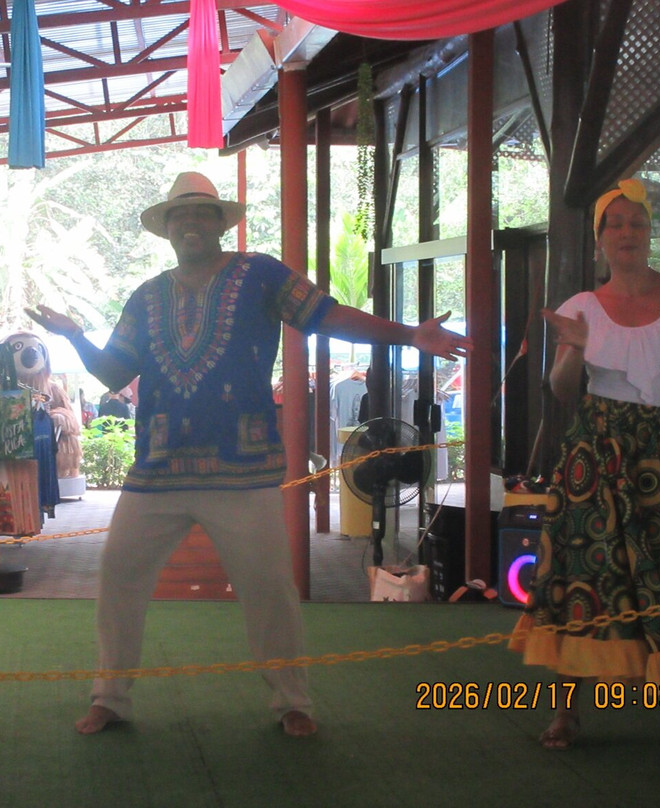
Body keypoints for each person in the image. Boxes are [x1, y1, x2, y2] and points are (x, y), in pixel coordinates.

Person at [27, 171, 471, 737]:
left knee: (268, 586)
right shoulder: (147, 296)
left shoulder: (258, 273)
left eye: (202, 214)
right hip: (158, 469)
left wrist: (410, 335)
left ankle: (293, 702)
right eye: (180, 216)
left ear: (220, 223)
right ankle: (109, 698)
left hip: (245, 468)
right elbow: (115, 370)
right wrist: (75, 336)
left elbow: (326, 314)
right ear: (166, 230)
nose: (190, 223)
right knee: (118, 575)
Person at [510, 178, 660, 750]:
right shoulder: (581, 308)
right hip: (596, 455)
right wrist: (575, 347)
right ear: (599, 240)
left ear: (651, 231)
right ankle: (566, 714)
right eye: (614, 224)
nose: (627, 233)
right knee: (585, 574)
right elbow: (563, 391)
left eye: (636, 223)